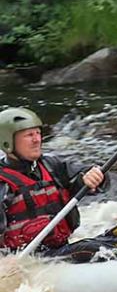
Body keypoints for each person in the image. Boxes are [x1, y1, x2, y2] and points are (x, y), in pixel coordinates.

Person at [0, 107, 107, 253]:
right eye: (29, 135)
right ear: (8, 142)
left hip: (60, 249)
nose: (37, 139)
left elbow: (87, 173)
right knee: (92, 249)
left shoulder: (51, 166)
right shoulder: (3, 183)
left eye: (38, 133)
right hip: (26, 260)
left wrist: (93, 177)